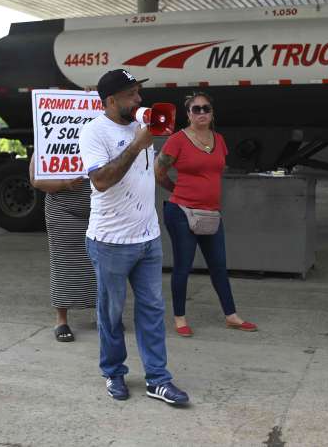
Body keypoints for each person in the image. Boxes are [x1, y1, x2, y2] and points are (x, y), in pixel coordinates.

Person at [79, 68, 189, 405]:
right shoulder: (93, 132)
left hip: (148, 237)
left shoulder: (144, 127)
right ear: (111, 101)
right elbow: (101, 181)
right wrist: (137, 145)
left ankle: (158, 378)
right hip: (110, 240)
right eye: (132, 94)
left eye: (139, 92)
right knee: (111, 312)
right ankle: (114, 372)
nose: (140, 99)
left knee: (153, 309)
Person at [154, 91, 256, 337]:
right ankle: (180, 318)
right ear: (188, 114)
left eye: (205, 108)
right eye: (196, 109)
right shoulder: (177, 140)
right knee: (183, 266)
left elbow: (215, 172)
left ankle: (231, 315)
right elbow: (159, 172)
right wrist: (177, 190)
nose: (201, 113)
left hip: (211, 213)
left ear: (212, 112)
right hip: (182, 212)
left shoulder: (218, 139)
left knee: (219, 265)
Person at [28, 160, 96, 343]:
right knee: (63, 263)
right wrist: (65, 184)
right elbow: (36, 180)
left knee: (103, 263)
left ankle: (103, 313)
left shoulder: (99, 132)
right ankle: (61, 320)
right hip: (62, 210)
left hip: (100, 209)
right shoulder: (48, 136)